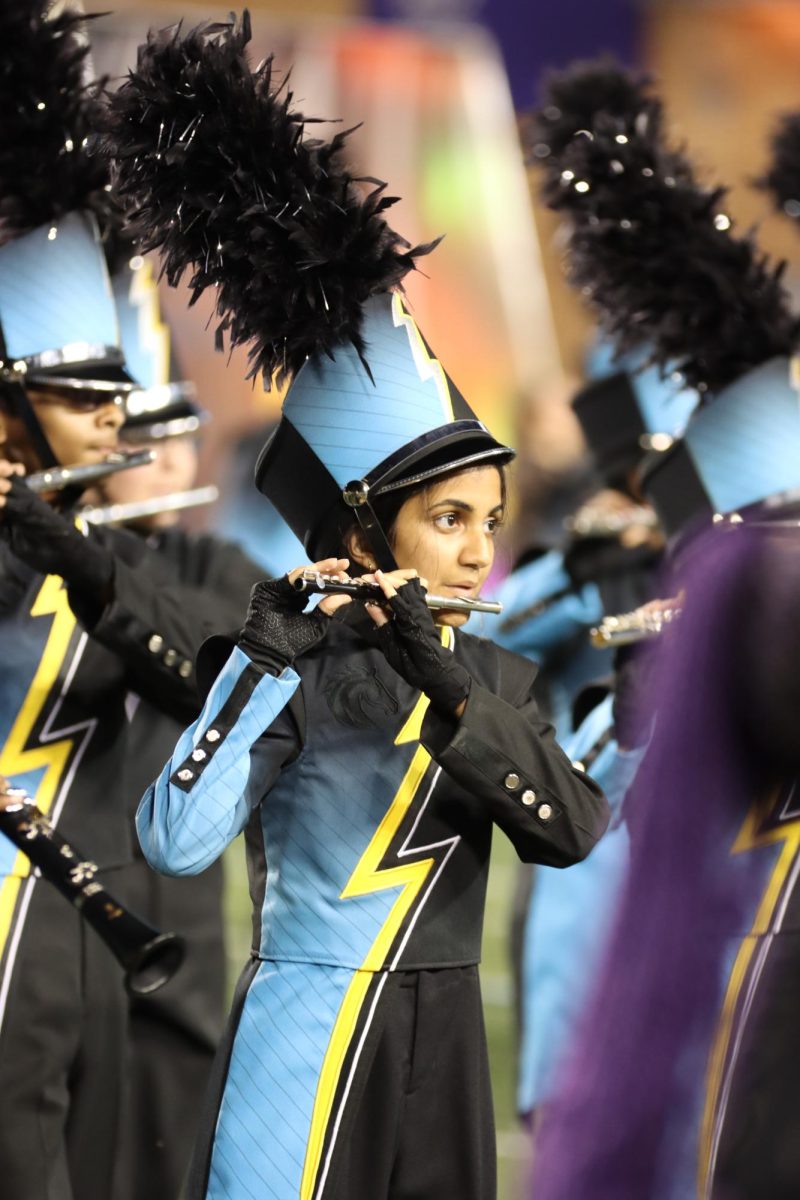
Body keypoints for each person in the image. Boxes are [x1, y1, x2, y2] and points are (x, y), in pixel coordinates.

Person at [102, 14, 609, 1198]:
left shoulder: (494, 678)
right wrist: (262, 658)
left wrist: (445, 682)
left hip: (444, 1069)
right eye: (446, 520)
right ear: (362, 534)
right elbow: (174, 841)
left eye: (489, 519)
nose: (478, 550)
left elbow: (571, 830)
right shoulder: (287, 666)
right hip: (304, 1033)